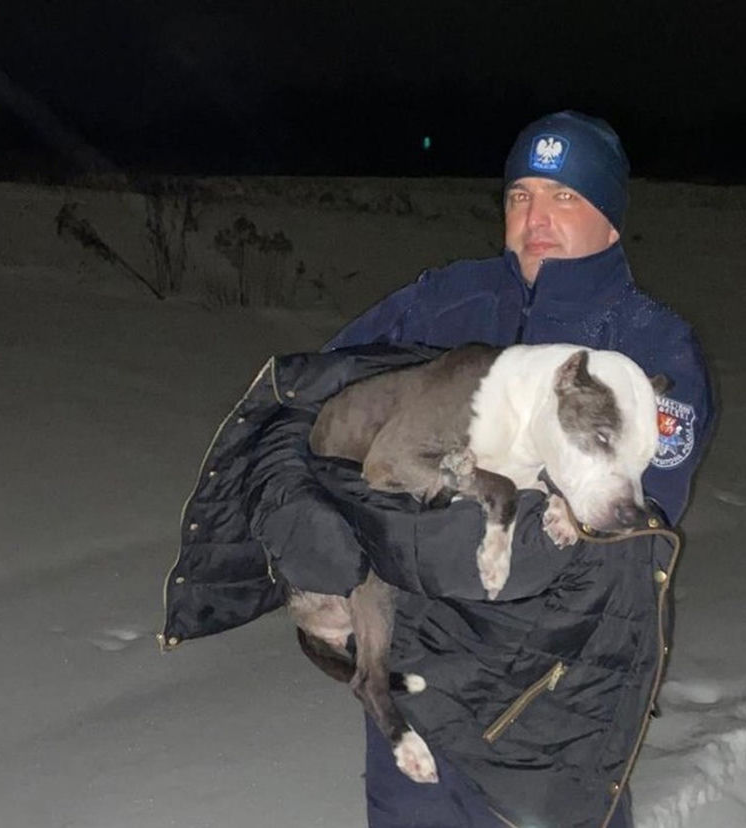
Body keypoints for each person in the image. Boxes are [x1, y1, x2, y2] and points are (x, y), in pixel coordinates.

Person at [161, 111, 714, 828]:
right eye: (521, 195)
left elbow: (623, 535)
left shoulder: (648, 349)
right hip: (416, 672)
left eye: (565, 197)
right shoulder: (447, 300)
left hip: (551, 702)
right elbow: (313, 395)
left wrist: (386, 524)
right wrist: (296, 508)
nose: (536, 218)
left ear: (610, 219)